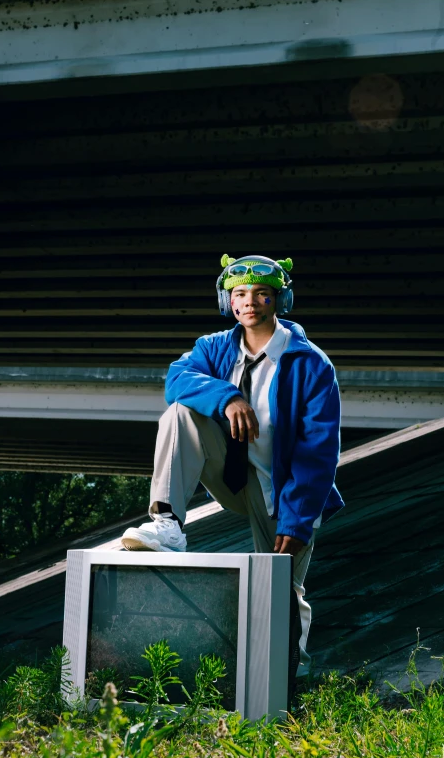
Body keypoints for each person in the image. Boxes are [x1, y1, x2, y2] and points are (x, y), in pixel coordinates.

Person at [121, 254, 343, 676]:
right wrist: (228, 397)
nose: (250, 303)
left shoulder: (312, 364)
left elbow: (318, 452)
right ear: (228, 300)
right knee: (180, 413)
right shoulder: (213, 348)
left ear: (280, 299)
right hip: (231, 476)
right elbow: (177, 380)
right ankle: (167, 522)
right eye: (240, 294)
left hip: (283, 493)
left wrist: (296, 524)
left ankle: (290, 677)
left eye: (262, 294)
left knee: (281, 588)